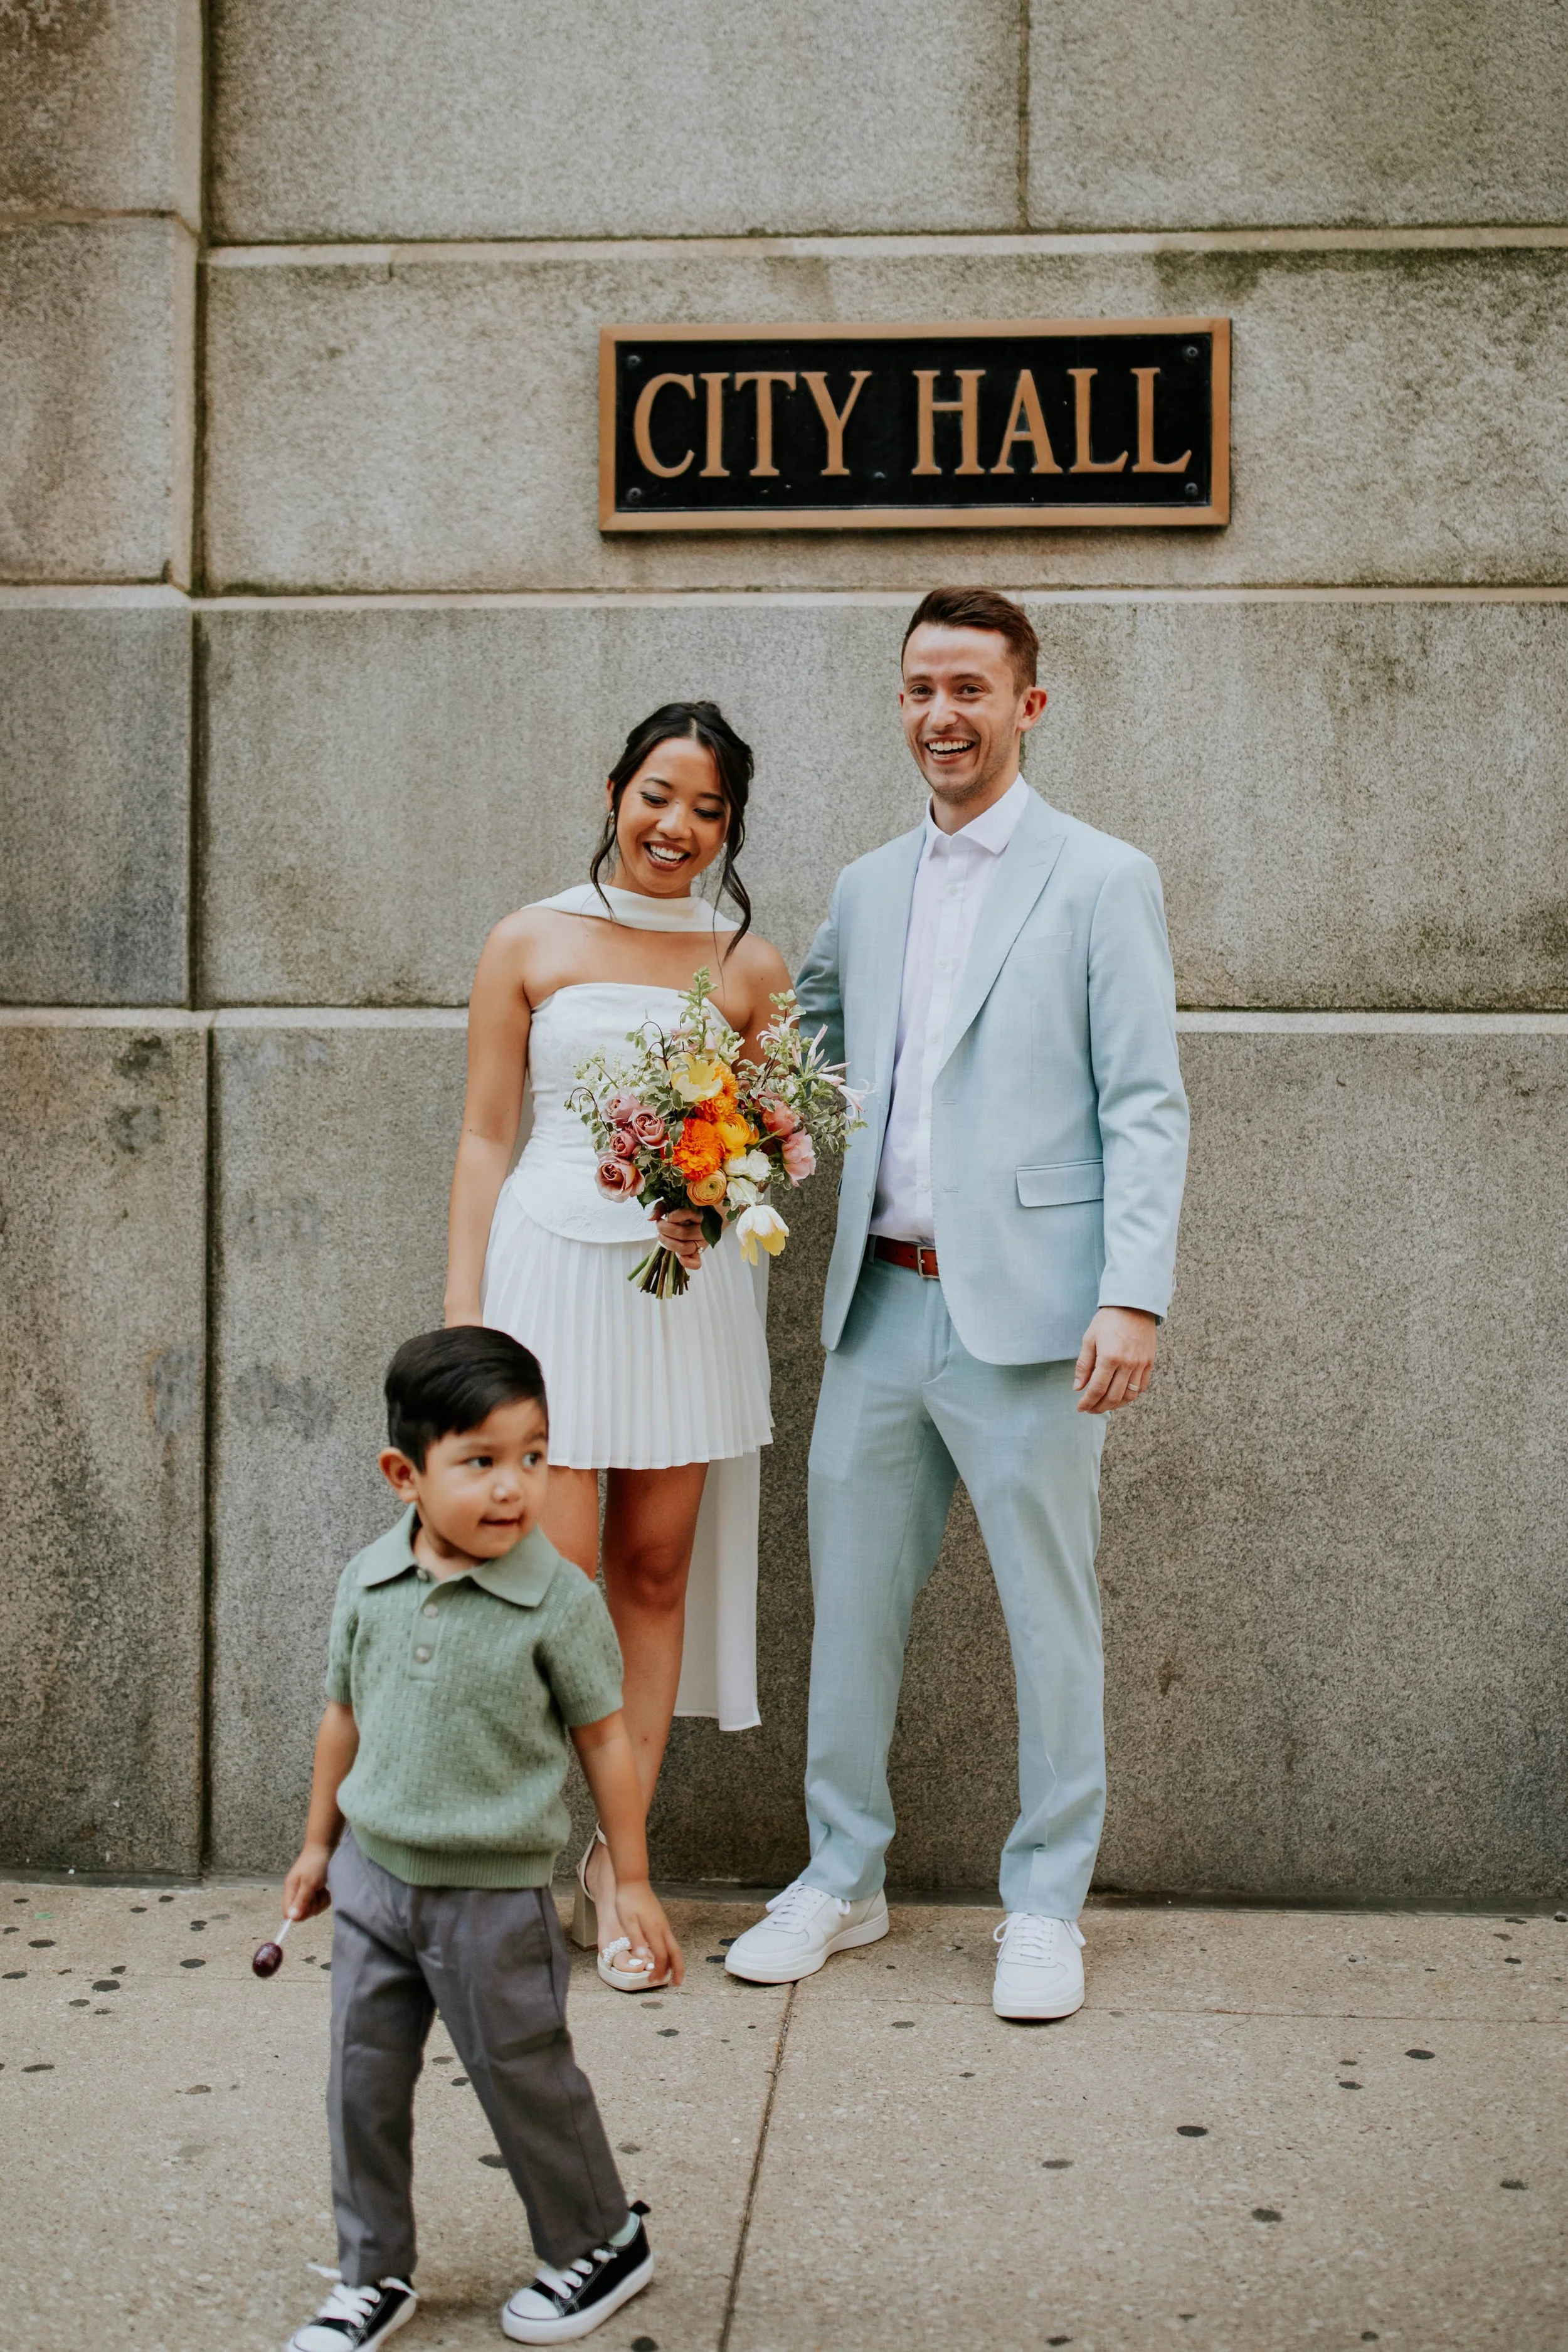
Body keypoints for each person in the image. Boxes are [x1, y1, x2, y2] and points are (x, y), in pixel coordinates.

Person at [724, 587, 1189, 2020]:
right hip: (877, 1307)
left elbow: (1144, 1105)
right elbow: (794, 1042)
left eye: (970, 690)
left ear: (1025, 705)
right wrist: (684, 1115)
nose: (942, 714)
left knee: (1052, 1616)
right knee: (851, 1610)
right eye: (921, 688)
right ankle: (842, 1877)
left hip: (1037, 1323)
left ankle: (1046, 1901)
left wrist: (1133, 1299)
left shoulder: (1101, 877)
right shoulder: (867, 885)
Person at [444, 703, 794, 1987]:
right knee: (558, 1587)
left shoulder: (748, 964)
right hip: (548, 1283)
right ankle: (504, 1865)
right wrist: (465, 1327)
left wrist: (727, 1171)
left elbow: (772, 1143)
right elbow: (486, 1135)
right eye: (660, 795)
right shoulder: (528, 939)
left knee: (653, 1579)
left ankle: (620, 1866)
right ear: (614, 790)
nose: (678, 828)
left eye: (708, 811)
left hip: (682, 1295)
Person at [280, 1325, 681, 2352]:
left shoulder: (557, 1598)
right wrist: (319, 1847)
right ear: (404, 1475)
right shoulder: (367, 1580)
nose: (515, 1487)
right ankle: (372, 2270)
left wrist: (628, 1879)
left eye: (534, 1457)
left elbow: (605, 1738)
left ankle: (601, 2239)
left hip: (494, 1894)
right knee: (360, 2077)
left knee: (524, 2071)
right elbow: (343, 1717)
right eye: (482, 1462)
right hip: (375, 1877)